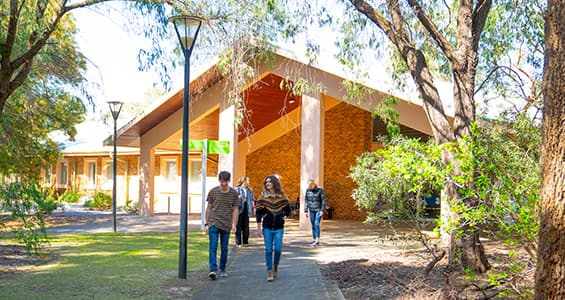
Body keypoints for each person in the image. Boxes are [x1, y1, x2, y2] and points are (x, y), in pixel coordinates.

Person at [205, 171, 240, 280]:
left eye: (225, 182)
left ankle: (223, 268)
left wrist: (235, 225)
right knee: (213, 247)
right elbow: (209, 208)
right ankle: (213, 270)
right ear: (219, 180)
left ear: (229, 181)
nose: (223, 184)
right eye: (221, 182)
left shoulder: (234, 194)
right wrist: (206, 224)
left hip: (226, 224)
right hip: (214, 223)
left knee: (224, 248)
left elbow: (235, 209)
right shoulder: (213, 192)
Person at [256, 175, 291, 282]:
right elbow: (258, 213)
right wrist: (258, 228)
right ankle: (269, 270)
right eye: (266, 182)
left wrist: (284, 217)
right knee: (268, 250)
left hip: (279, 227)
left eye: (270, 182)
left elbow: (288, 209)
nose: (268, 184)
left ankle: (275, 265)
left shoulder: (282, 196)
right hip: (267, 227)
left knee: (278, 249)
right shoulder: (262, 197)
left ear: (275, 183)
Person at [304, 179, 326, 247]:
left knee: (316, 224)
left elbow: (323, 200)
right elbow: (306, 200)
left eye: (311, 185)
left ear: (314, 184)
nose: (310, 187)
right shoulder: (308, 190)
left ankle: (317, 240)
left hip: (318, 209)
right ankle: (314, 239)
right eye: (309, 186)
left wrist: (322, 210)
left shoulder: (320, 190)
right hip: (311, 210)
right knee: (313, 224)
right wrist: (305, 211)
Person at [235, 176, 255, 247]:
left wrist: (254, 208)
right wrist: (238, 198)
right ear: (244, 181)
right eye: (248, 181)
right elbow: (233, 200)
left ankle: (245, 241)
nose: (249, 182)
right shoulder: (237, 189)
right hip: (239, 209)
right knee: (238, 226)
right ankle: (238, 242)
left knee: (246, 226)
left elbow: (252, 199)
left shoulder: (249, 190)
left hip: (247, 208)